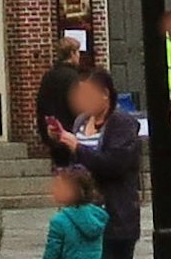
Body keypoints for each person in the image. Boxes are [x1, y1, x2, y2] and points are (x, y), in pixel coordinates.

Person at [47, 64, 146, 259]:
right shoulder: (81, 121)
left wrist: (77, 147)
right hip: (81, 216)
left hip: (115, 216)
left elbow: (114, 164)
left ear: (104, 94)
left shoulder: (122, 124)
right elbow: (77, 164)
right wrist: (60, 142)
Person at [39, 36, 98, 169]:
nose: (79, 56)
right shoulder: (74, 78)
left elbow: (41, 107)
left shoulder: (48, 77)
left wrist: (46, 134)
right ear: (72, 54)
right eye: (78, 53)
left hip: (54, 135)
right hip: (72, 135)